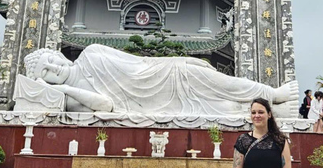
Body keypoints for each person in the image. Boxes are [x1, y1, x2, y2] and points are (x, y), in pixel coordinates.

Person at [20, 45, 299, 117]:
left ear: (58, 54)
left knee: (218, 81)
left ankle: (271, 94)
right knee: (218, 109)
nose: (54, 68)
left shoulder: (91, 53)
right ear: (44, 83)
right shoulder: (71, 99)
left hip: (162, 75)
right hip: (148, 104)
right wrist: (65, 88)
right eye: (46, 73)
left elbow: (137, 63)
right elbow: (105, 106)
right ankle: (268, 110)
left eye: (52, 60)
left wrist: (177, 62)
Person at [232, 98, 301, 168]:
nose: (256, 116)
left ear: (269, 114)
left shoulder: (280, 141)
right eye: (253, 112)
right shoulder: (243, 141)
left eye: (261, 112)